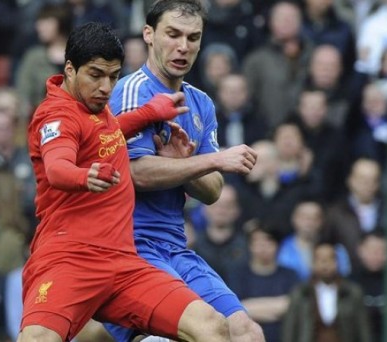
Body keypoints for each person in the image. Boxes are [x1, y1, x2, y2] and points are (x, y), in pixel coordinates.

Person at [19, 22, 230, 342]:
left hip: (121, 262)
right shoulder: (56, 115)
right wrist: (84, 176)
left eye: (114, 76)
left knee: (212, 327)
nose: (106, 87)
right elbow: (57, 167)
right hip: (71, 258)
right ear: (70, 70)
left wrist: (147, 113)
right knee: (37, 339)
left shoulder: (93, 107)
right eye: (96, 74)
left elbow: (106, 135)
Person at [104, 1, 263, 341]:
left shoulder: (201, 103)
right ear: (149, 34)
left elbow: (213, 190)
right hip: (131, 247)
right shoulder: (134, 91)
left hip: (174, 248)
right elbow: (137, 173)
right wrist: (209, 161)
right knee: (204, 330)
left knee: (246, 333)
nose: (183, 46)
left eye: (193, 37)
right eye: (173, 34)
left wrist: (186, 166)